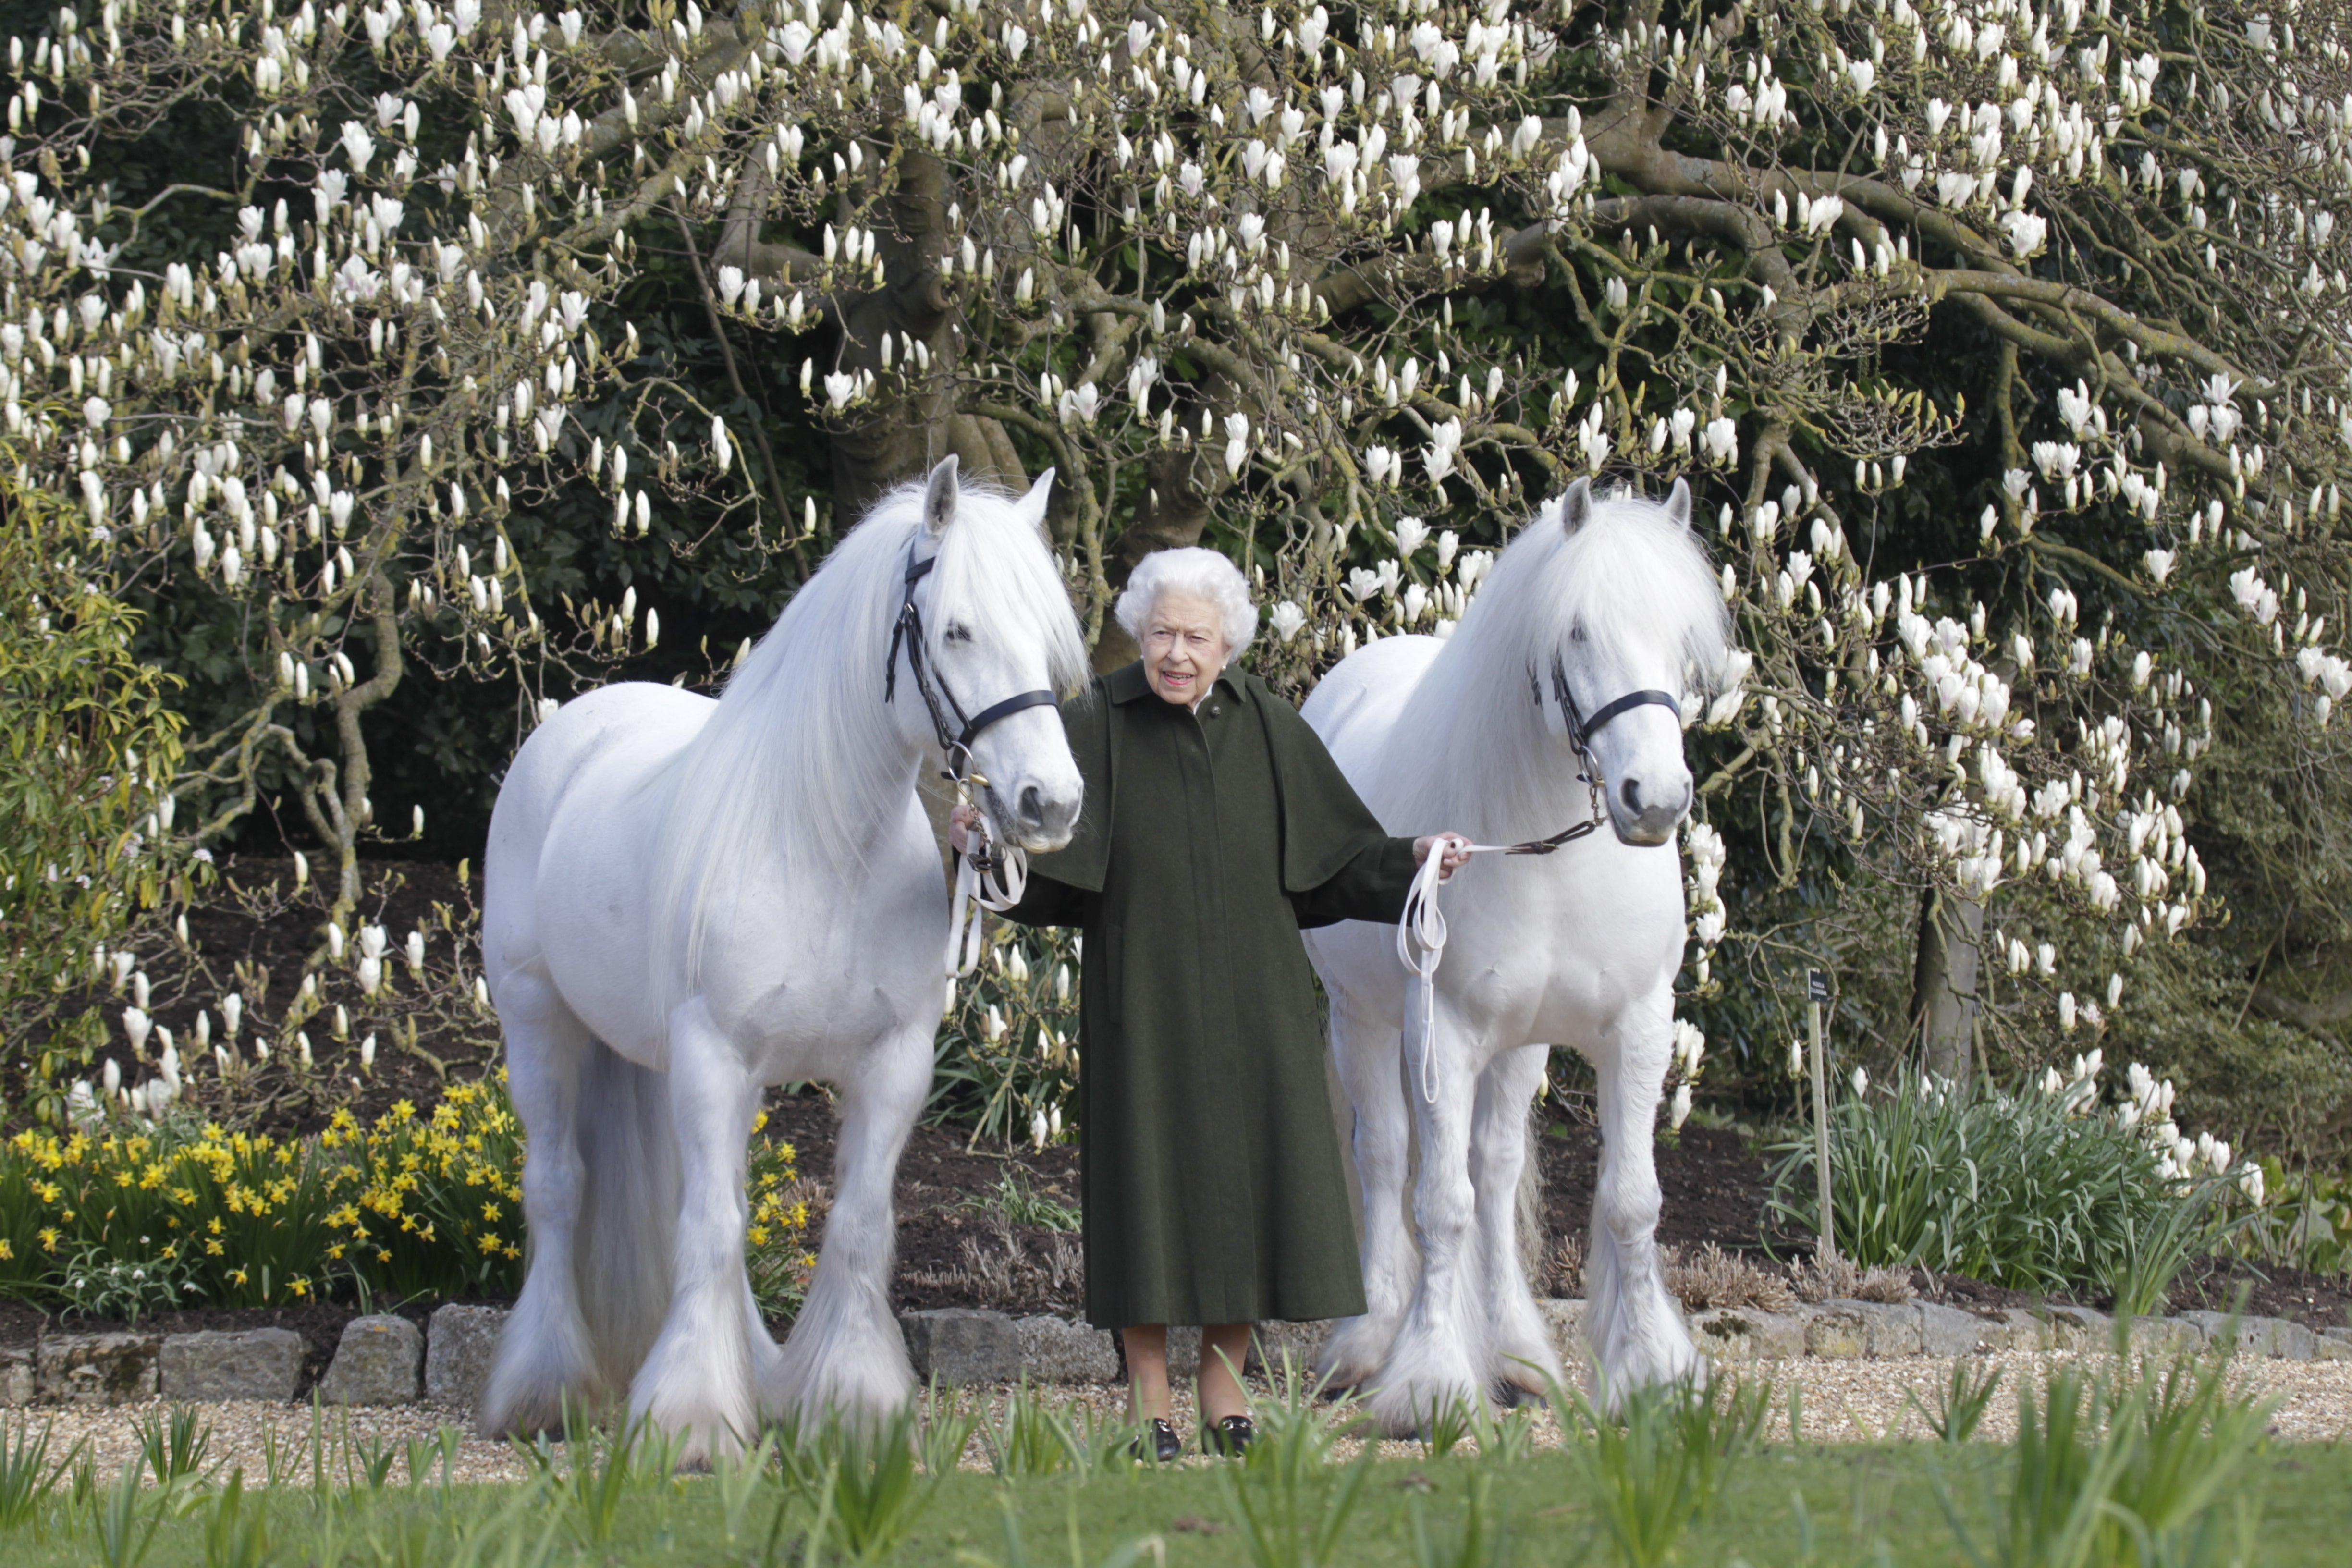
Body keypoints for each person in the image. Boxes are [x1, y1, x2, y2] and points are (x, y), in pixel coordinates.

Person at [950, 546, 1470, 1460]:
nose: (1176, 654)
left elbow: (1337, 863)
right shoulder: (1097, 723)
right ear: (1137, 637)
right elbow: (1046, 876)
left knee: (1250, 1191)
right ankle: (1148, 1387)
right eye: (1160, 635)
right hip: (1138, 1002)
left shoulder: (1269, 726)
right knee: (1145, 1191)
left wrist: (1419, 856)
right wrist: (982, 848)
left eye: (1194, 636)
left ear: (1228, 642)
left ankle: (1222, 1377)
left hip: (1256, 1004)